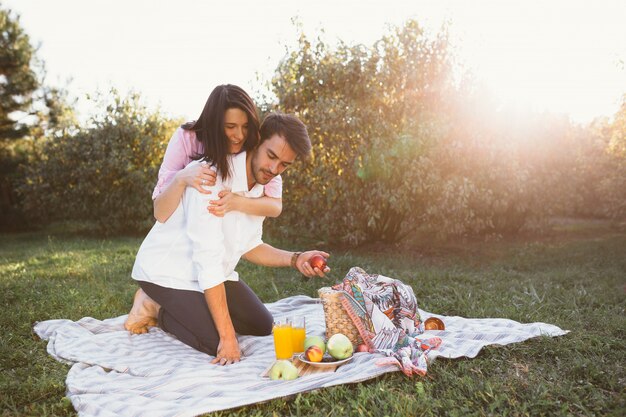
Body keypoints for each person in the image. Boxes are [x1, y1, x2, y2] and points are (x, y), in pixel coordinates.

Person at [124, 113, 330, 366]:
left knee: (262, 324)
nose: (274, 170)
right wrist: (227, 336)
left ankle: (193, 309)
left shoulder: (260, 188)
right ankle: (153, 305)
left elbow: (251, 245)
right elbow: (208, 262)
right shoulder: (211, 178)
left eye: (284, 165)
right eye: (272, 156)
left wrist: (296, 259)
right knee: (216, 342)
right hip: (167, 272)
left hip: (210, 272)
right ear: (256, 142)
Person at [153, 84, 282, 223]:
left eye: (245, 126)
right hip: (184, 229)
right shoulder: (186, 138)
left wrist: (237, 203)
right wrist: (181, 179)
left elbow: (275, 205)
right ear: (213, 125)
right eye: (230, 126)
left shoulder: (254, 144)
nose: (239, 136)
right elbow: (160, 213)